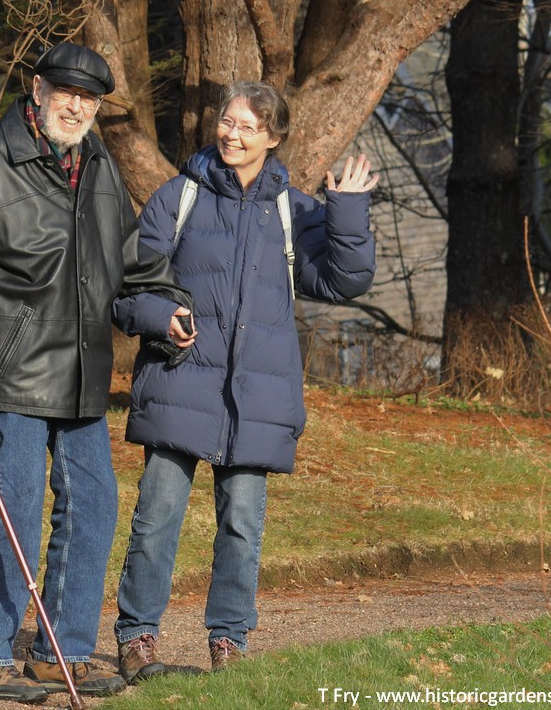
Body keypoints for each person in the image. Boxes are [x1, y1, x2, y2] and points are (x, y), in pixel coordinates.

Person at [0, 42, 195, 703]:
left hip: (83, 377)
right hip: (10, 372)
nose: (76, 105)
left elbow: (133, 264)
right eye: (66, 91)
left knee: (93, 507)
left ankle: (58, 652)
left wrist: (169, 310)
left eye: (89, 98)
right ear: (36, 91)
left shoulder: (95, 164)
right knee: (14, 511)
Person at [110, 81, 378, 680]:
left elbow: (344, 282)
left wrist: (349, 210)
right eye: (227, 122)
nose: (232, 134)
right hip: (181, 381)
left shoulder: (295, 210)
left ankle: (229, 642)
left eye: (248, 127)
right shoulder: (177, 197)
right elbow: (129, 289)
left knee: (241, 524)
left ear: (273, 138)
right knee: (156, 517)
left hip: (256, 397)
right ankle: (137, 637)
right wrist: (161, 317)